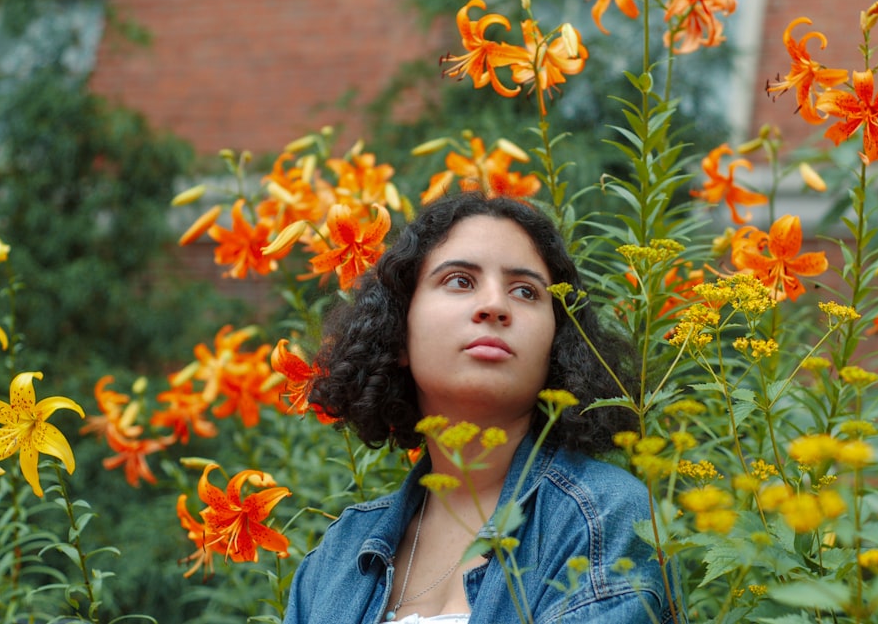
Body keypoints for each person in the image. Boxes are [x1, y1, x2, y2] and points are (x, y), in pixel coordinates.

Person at [283, 193, 680, 624]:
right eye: (460, 281)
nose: (495, 305)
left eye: (526, 291)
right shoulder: (339, 551)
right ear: (399, 333)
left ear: (557, 346)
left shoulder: (605, 515)